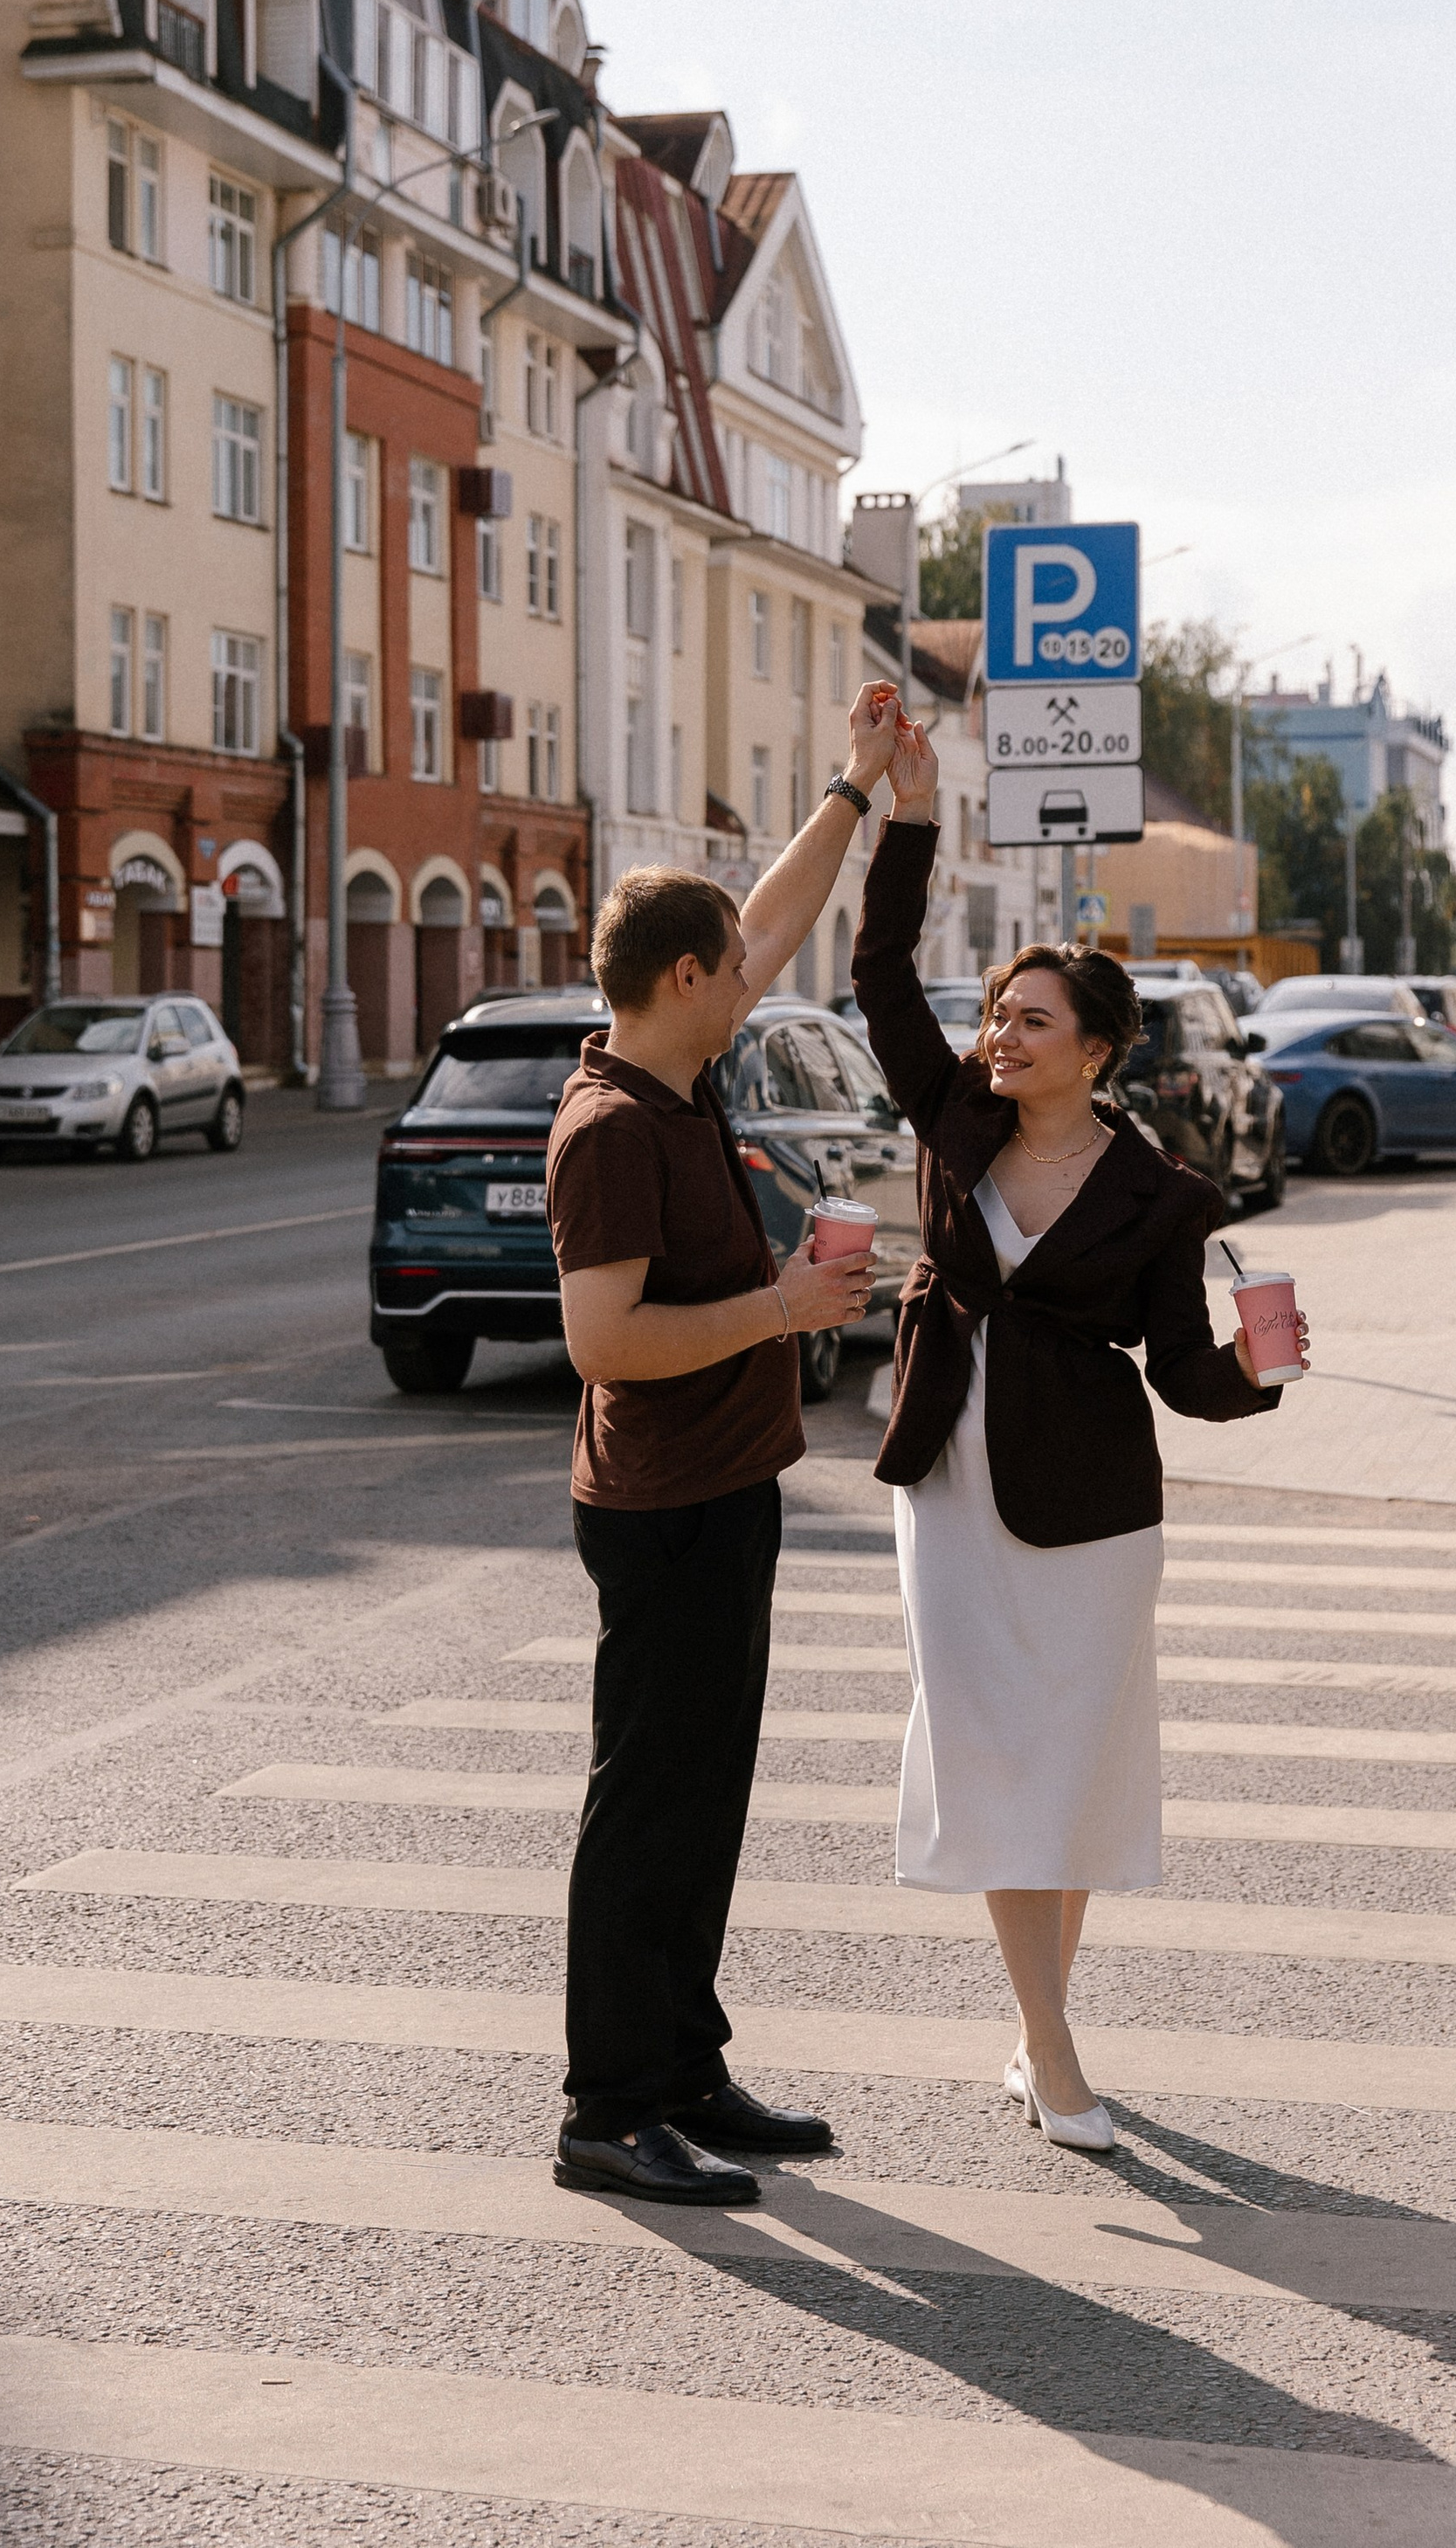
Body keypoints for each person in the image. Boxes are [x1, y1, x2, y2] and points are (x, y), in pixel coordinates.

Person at [852, 715, 1308, 2156]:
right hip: (951, 1477)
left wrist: (1258, 1372)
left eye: (1030, 1021)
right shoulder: (953, 1114)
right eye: (998, 1013)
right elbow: (877, 970)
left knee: (1074, 1762)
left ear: (1097, 1050)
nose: (1000, 1035)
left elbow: (1181, 1373)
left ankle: (1037, 2032)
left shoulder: (1164, 1198)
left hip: (1096, 1504)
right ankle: (1052, 2051)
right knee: (992, 1748)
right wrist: (909, 815)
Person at [544, 680, 902, 2207]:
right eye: (733, 970)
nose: (755, 975)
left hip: (724, 1492)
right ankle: (609, 2108)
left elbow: (774, 914)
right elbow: (604, 1342)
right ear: (682, 980)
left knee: (705, 1801)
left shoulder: (676, 1066)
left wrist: (854, 786)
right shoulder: (613, 1127)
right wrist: (782, 1309)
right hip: (666, 1505)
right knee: (650, 1805)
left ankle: (685, 2070)